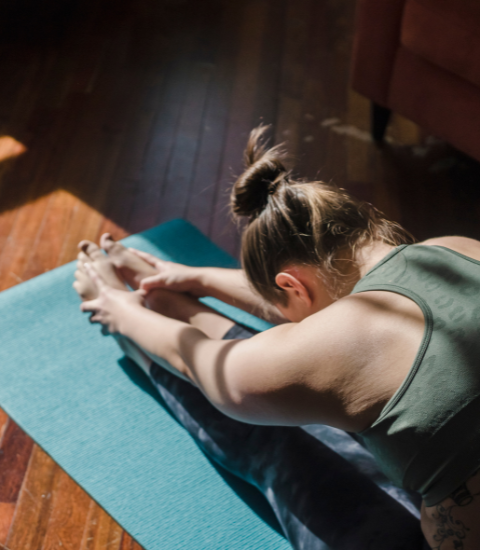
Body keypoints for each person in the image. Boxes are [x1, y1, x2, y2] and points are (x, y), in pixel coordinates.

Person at [74, 126, 480, 550]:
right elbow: (324, 301)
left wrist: (117, 310)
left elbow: (214, 370)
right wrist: (201, 279)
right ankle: (179, 305)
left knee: (279, 442)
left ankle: (155, 324)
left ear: (293, 286)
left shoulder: (347, 339)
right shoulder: (456, 249)